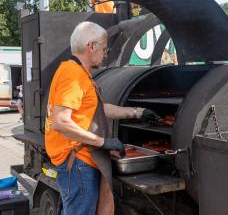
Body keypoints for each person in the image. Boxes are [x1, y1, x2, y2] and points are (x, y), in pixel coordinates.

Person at [44, 21, 160, 215]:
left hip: (79, 161)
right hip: (77, 162)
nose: (105, 54)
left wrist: (137, 112)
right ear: (91, 46)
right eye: (104, 49)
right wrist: (103, 142)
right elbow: (61, 122)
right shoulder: (73, 75)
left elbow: (98, 109)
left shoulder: (80, 73)